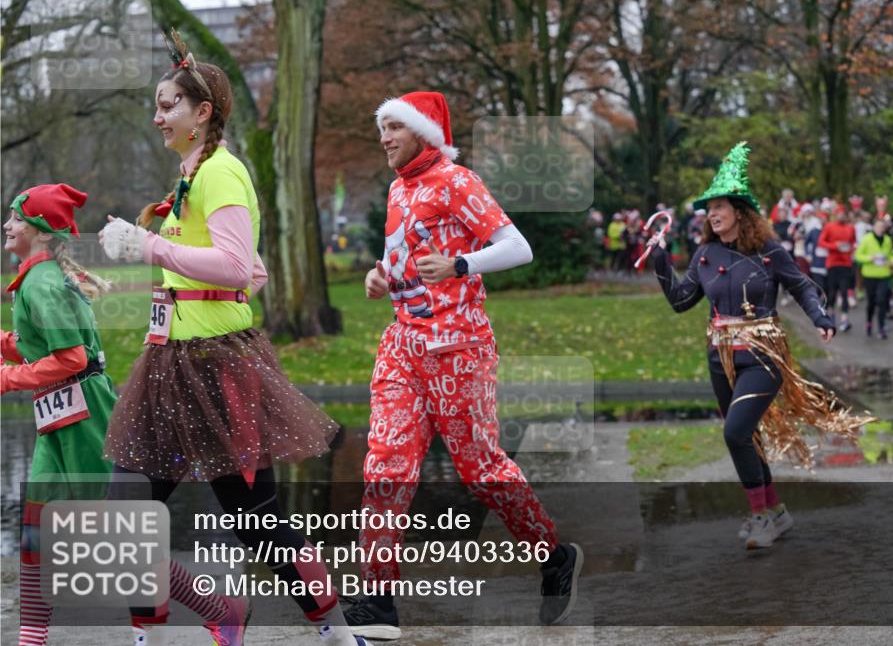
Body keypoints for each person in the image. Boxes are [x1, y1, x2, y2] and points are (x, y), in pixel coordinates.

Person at [97, 32, 360, 646]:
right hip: (169, 365)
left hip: (218, 370)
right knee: (126, 516)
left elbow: (238, 268)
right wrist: (177, 276)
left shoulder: (221, 171)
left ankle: (340, 637)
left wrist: (150, 246)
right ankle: (195, 619)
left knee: (257, 524)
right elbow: (253, 271)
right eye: (157, 106)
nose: (158, 117)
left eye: (168, 105)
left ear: (203, 112)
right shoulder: (192, 177)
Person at [350, 91, 582, 639]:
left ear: (423, 132)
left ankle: (554, 557)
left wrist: (460, 264)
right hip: (403, 347)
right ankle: (376, 600)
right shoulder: (397, 188)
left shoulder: (458, 181)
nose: (384, 137)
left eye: (394, 127)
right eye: (382, 127)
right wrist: (379, 276)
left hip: (459, 350)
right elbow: (403, 257)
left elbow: (518, 247)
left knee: (481, 470)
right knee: (386, 465)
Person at [650, 142, 865, 550]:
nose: (712, 214)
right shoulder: (704, 255)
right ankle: (775, 512)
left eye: (719, 206)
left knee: (735, 432)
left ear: (739, 211)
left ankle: (761, 516)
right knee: (746, 436)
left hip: (764, 354)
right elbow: (680, 301)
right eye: (708, 209)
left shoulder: (768, 251)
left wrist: (821, 317)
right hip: (721, 357)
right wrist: (661, 262)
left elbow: (801, 285)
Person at [1, 184, 116, 646]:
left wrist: (7, 378)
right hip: (58, 413)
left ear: (43, 233)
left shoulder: (44, 283)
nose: (7, 225)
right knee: (37, 522)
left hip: (85, 413)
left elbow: (70, 358)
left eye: (17, 219)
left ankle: (219, 611)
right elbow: (40, 342)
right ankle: (32, 636)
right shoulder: (38, 278)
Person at [855, 218, 893, 339]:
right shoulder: (867, 239)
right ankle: (869, 321)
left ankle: (881, 327)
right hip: (869, 275)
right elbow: (858, 256)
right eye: (878, 226)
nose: (880, 228)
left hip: (884, 274)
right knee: (871, 302)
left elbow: (889, 255)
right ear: (873, 227)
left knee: (882, 300)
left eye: (882, 227)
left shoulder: (887, 239)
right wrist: (870, 258)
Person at [818, 205, 856, 331]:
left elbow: (853, 243)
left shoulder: (851, 228)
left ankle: (844, 319)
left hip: (846, 264)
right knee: (832, 292)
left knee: (844, 292)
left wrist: (850, 249)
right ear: (835, 215)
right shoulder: (829, 226)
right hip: (832, 264)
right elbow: (821, 242)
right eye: (839, 214)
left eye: (844, 214)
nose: (842, 216)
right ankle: (831, 316)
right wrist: (835, 246)